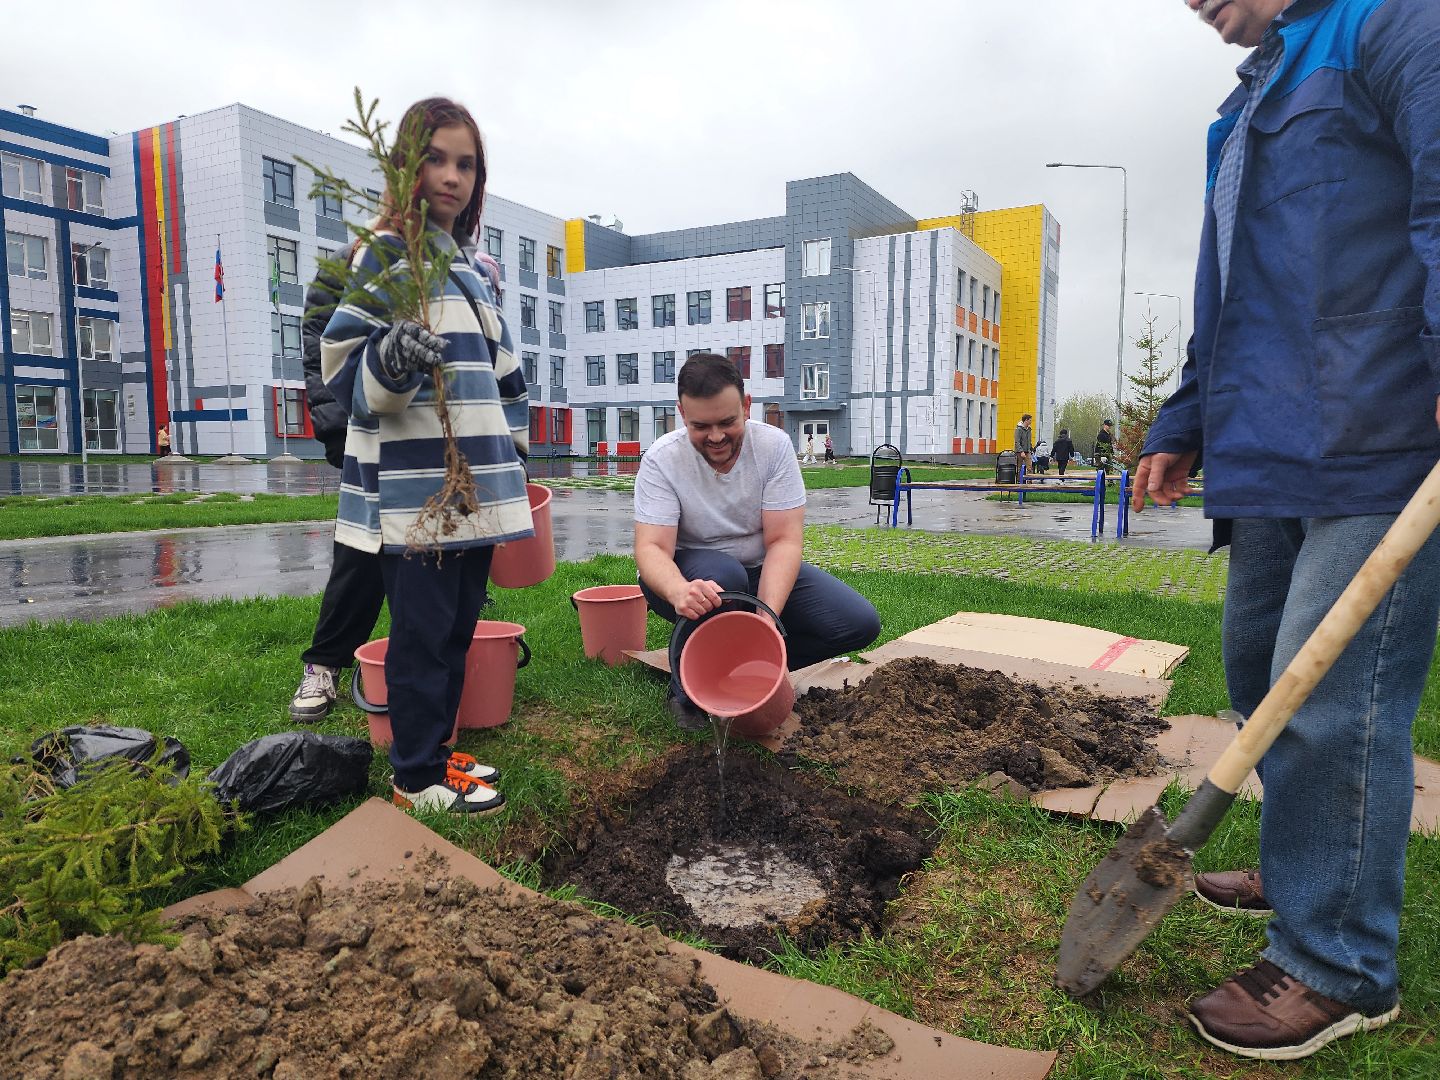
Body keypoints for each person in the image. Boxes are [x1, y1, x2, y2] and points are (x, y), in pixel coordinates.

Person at [1134, 0, 1440, 1060]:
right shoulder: (1246, 100)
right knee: (1262, 669)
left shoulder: (1392, 24)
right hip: (1265, 445)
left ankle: (1340, 963)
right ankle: (1306, 860)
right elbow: (1225, 292)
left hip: (1379, 434)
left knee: (1335, 702)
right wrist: (1185, 421)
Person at [322, 96, 532, 815]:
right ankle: (415, 779)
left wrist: (516, 461)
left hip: (472, 495)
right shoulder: (387, 256)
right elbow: (346, 375)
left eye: (466, 163)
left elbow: (504, 379)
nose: (452, 176)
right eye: (435, 159)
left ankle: (435, 753)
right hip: (414, 499)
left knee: (454, 632)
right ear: (407, 169)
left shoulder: (473, 271)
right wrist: (393, 355)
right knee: (420, 637)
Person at [289, 238, 503, 729]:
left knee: (443, 566)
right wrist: (337, 426)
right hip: (372, 433)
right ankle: (325, 664)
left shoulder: (474, 266)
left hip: (451, 442)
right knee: (362, 556)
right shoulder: (354, 259)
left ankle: (436, 680)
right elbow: (323, 346)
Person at [634, 354, 881, 729]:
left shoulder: (773, 447)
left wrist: (767, 618)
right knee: (726, 577)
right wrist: (679, 591)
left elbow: (783, 540)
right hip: (688, 576)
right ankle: (685, 689)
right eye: (701, 425)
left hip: (758, 568)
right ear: (682, 414)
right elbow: (652, 548)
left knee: (858, 623)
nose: (716, 437)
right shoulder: (662, 460)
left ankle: (744, 667)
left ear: (746, 406)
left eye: (728, 422)